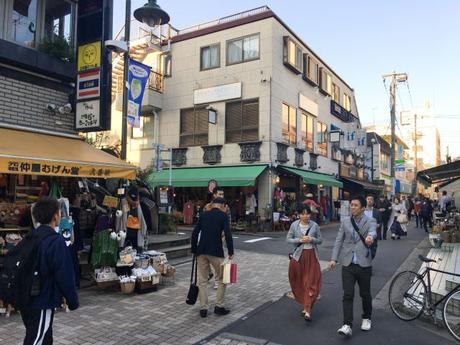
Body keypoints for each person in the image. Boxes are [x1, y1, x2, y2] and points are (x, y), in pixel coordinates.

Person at [22, 197, 79, 345]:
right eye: (59, 212)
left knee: (45, 338)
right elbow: (64, 274)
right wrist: (72, 301)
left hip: (26, 296)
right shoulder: (55, 240)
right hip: (42, 299)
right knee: (36, 339)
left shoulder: (31, 236)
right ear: (55, 216)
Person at [328, 195, 377, 337]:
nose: (352, 207)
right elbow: (338, 241)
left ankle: (366, 317)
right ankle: (347, 324)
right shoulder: (345, 221)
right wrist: (333, 259)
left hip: (364, 264)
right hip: (348, 263)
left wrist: (370, 237)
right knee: (348, 294)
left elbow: (373, 230)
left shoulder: (370, 220)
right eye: (351, 205)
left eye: (355, 205)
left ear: (362, 208)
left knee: (365, 293)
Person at [191, 197, 234, 318]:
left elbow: (195, 232)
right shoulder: (223, 216)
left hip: (201, 252)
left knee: (202, 281)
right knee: (222, 278)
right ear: (222, 206)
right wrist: (231, 251)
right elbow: (228, 234)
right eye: (225, 207)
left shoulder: (204, 215)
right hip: (216, 251)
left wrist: (194, 249)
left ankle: (204, 308)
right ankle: (218, 306)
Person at [286, 205, 322, 321]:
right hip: (299, 257)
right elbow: (288, 239)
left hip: (311, 256)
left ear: (310, 215)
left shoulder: (315, 225)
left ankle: (307, 310)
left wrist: (312, 239)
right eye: (303, 214)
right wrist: (300, 240)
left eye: (307, 213)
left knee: (311, 283)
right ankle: (306, 305)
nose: (305, 216)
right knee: (300, 282)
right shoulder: (294, 225)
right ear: (299, 215)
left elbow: (320, 240)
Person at [117, 186, 147, 250]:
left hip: (136, 234)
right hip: (126, 233)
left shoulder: (138, 205)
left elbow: (141, 218)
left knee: (133, 254)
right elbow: (120, 218)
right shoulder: (124, 202)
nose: (134, 203)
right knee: (125, 254)